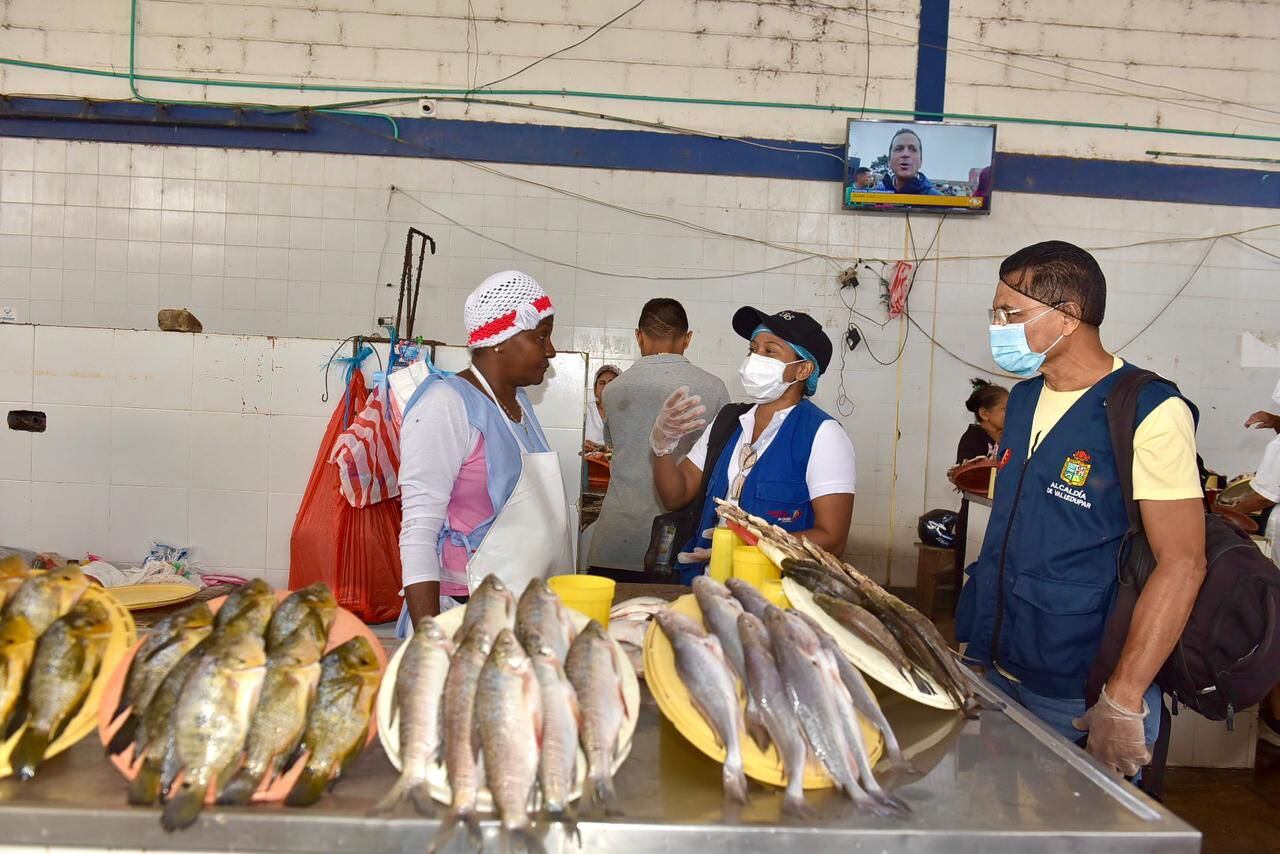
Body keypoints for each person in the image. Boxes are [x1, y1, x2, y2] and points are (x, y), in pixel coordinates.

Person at [956, 241, 1207, 780]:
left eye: (1011, 313)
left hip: (1078, 682)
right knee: (999, 814)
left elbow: (1183, 563)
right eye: (994, 312)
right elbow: (1009, 531)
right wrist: (976, 641)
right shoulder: (1021, 401)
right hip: (1000, 661)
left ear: (1067, 317)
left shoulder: (1148, 410)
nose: (997, 325)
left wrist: (1124, 696)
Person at [396, 270, 571, 631]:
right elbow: (418, 534)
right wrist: (431, 644)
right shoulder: (445, 405)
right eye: (541, 336)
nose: (550, 350)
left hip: (519, 612)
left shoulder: (520, 406)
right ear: (501, 341)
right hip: (462, 616)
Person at [649, 307, 856, 583]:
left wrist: (746, 545)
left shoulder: (823, 435)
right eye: (753, 349)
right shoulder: (728, 422)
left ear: (804, 369)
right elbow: (675, 495)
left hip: (774, 595)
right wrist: (663, 448)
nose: (755, 358)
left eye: (770, 351)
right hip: (706, 584)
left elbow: (833, 538)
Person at [587, 299, 729, 577]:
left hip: (616, 542)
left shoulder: (613, 390)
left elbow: (615, 445)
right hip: (680, 545)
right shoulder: (714, 388)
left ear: (638, 336)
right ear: (687, 339)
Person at [956, 378, 1009, 463]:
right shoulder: (973, 438)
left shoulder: (1009, 437)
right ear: (984, 413)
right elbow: (966, 473)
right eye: (1006, 409)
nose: (1012, 413)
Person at [879, 128, 943, 195]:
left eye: (913, 149)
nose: (905, 154)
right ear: (889, 161)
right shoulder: (877, 195)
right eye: (899, 149)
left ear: (920, 162)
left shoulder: (940, 201)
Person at [584, 363, 621, 450]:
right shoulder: (585, 411)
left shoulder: (627, 413)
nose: (606, 387)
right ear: (595, 389)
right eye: (602, 383)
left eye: (611, 383)